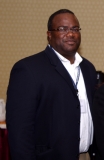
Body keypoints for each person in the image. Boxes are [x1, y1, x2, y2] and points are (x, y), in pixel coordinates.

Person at [6, 9, 97, 160]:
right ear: (49, 34)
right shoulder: (28, 69)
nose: (70, 33)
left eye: (75, 29)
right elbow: (20, 132)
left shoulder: (88, 68)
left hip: (86, 155)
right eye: (62, 29)